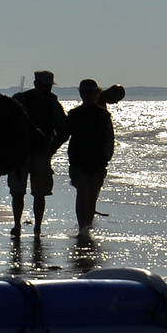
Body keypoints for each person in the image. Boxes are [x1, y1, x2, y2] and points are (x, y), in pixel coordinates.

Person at [8, 70, 70, 238]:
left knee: (39, 194)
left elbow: (63, 130)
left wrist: (51, 150)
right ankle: (17, 225)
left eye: (48, 87)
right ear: (36, 84)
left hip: (41, 154)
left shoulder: (52, 104)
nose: (46, 89)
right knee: (18, 193)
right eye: (44, 86)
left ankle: (37, 228)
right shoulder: (20, 100)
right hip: (21, 155)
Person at [66, 79, 121, 242]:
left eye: (91, 93)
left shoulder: (103, 115)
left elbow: (109, 138)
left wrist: (107, 157)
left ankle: (86, 227)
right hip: (79, 160)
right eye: (85, 93)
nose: (88, 95)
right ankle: (82, 226)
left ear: (96, 93)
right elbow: (64, 135)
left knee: (92, 194)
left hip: (97, 161)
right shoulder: (74, 115)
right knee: (82, 192)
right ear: (81, 94)